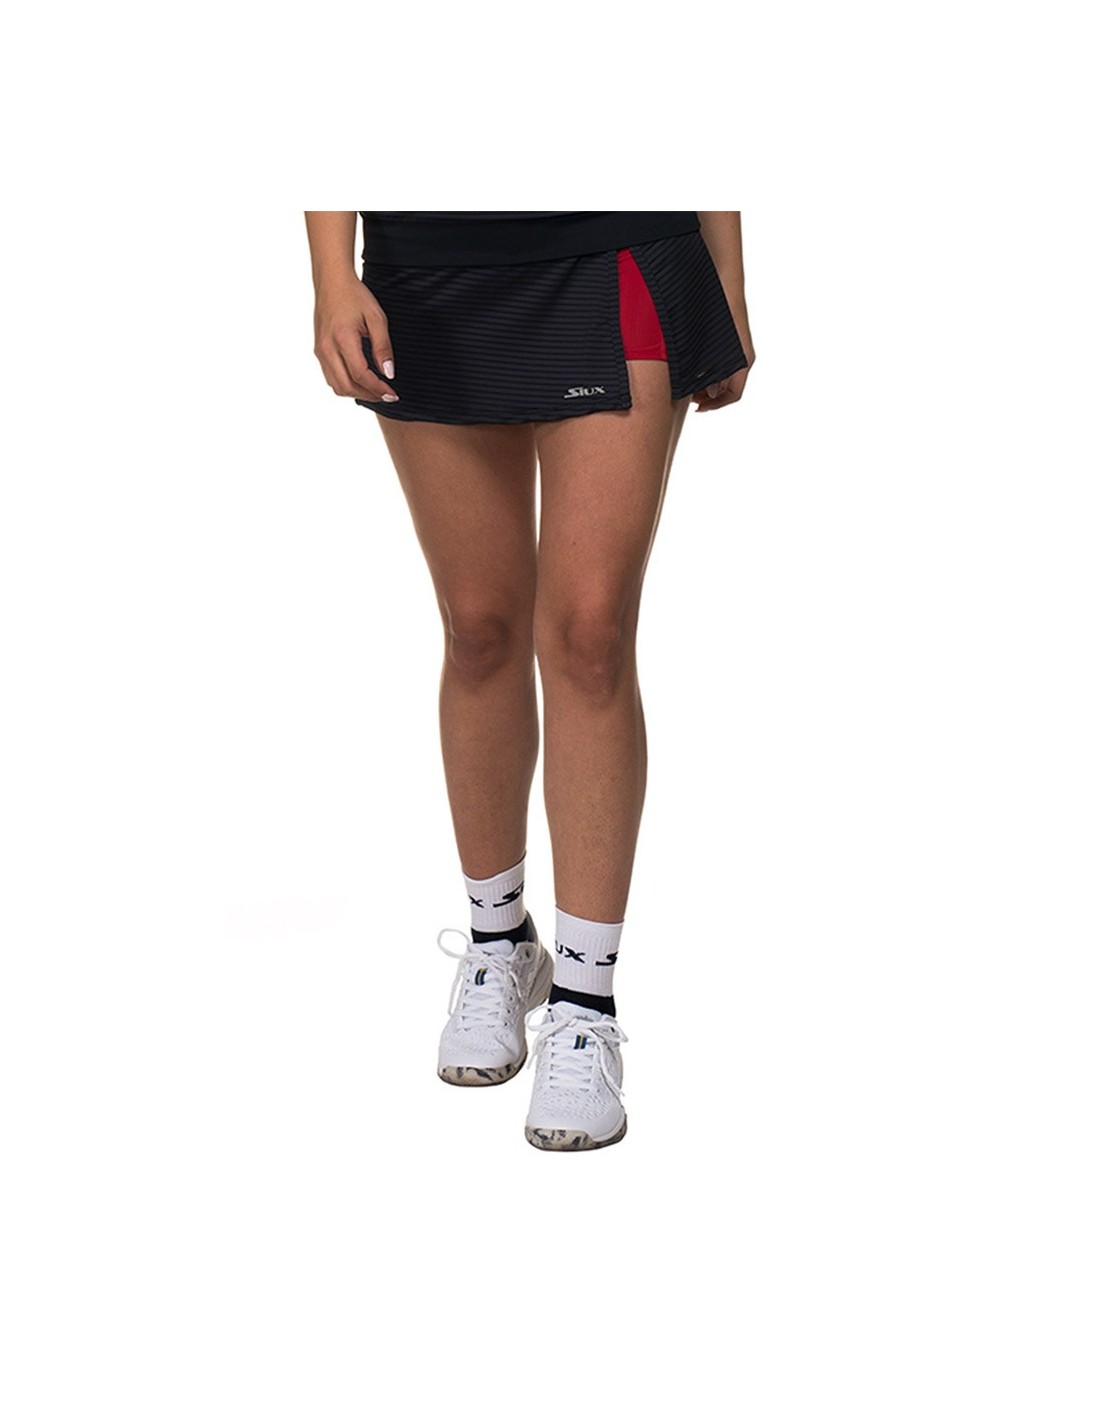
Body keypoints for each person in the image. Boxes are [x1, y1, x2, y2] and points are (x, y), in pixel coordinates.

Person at [304, 211, 755, 1150]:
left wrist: (729, 280)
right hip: (429, 266)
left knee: (590, 634)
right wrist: (331, 274)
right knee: (479, 628)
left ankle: (585, 1003)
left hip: (616, 247)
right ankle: (500, 942)